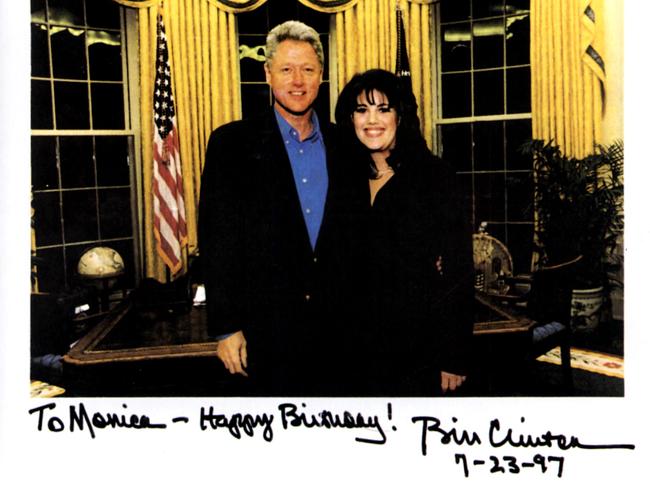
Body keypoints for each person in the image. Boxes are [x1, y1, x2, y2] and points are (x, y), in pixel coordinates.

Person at [198, 21, 352, 396]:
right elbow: (216, 240)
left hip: (339, 336)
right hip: (263, 337)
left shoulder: (346, 143)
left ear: (321, 76)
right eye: (286, 69)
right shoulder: (230, 144)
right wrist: (226, 327)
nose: (297, 81)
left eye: (308, 69)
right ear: (268, 74)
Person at [334, 69, 475, 396]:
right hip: (352, 350)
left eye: (384, 109)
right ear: (350, 119)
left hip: (416, 350)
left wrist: (453, 356)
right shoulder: (343, 179)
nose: (372, 120)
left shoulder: (435, 177)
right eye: (362, 109)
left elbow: (458, 270)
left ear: (401, 116)